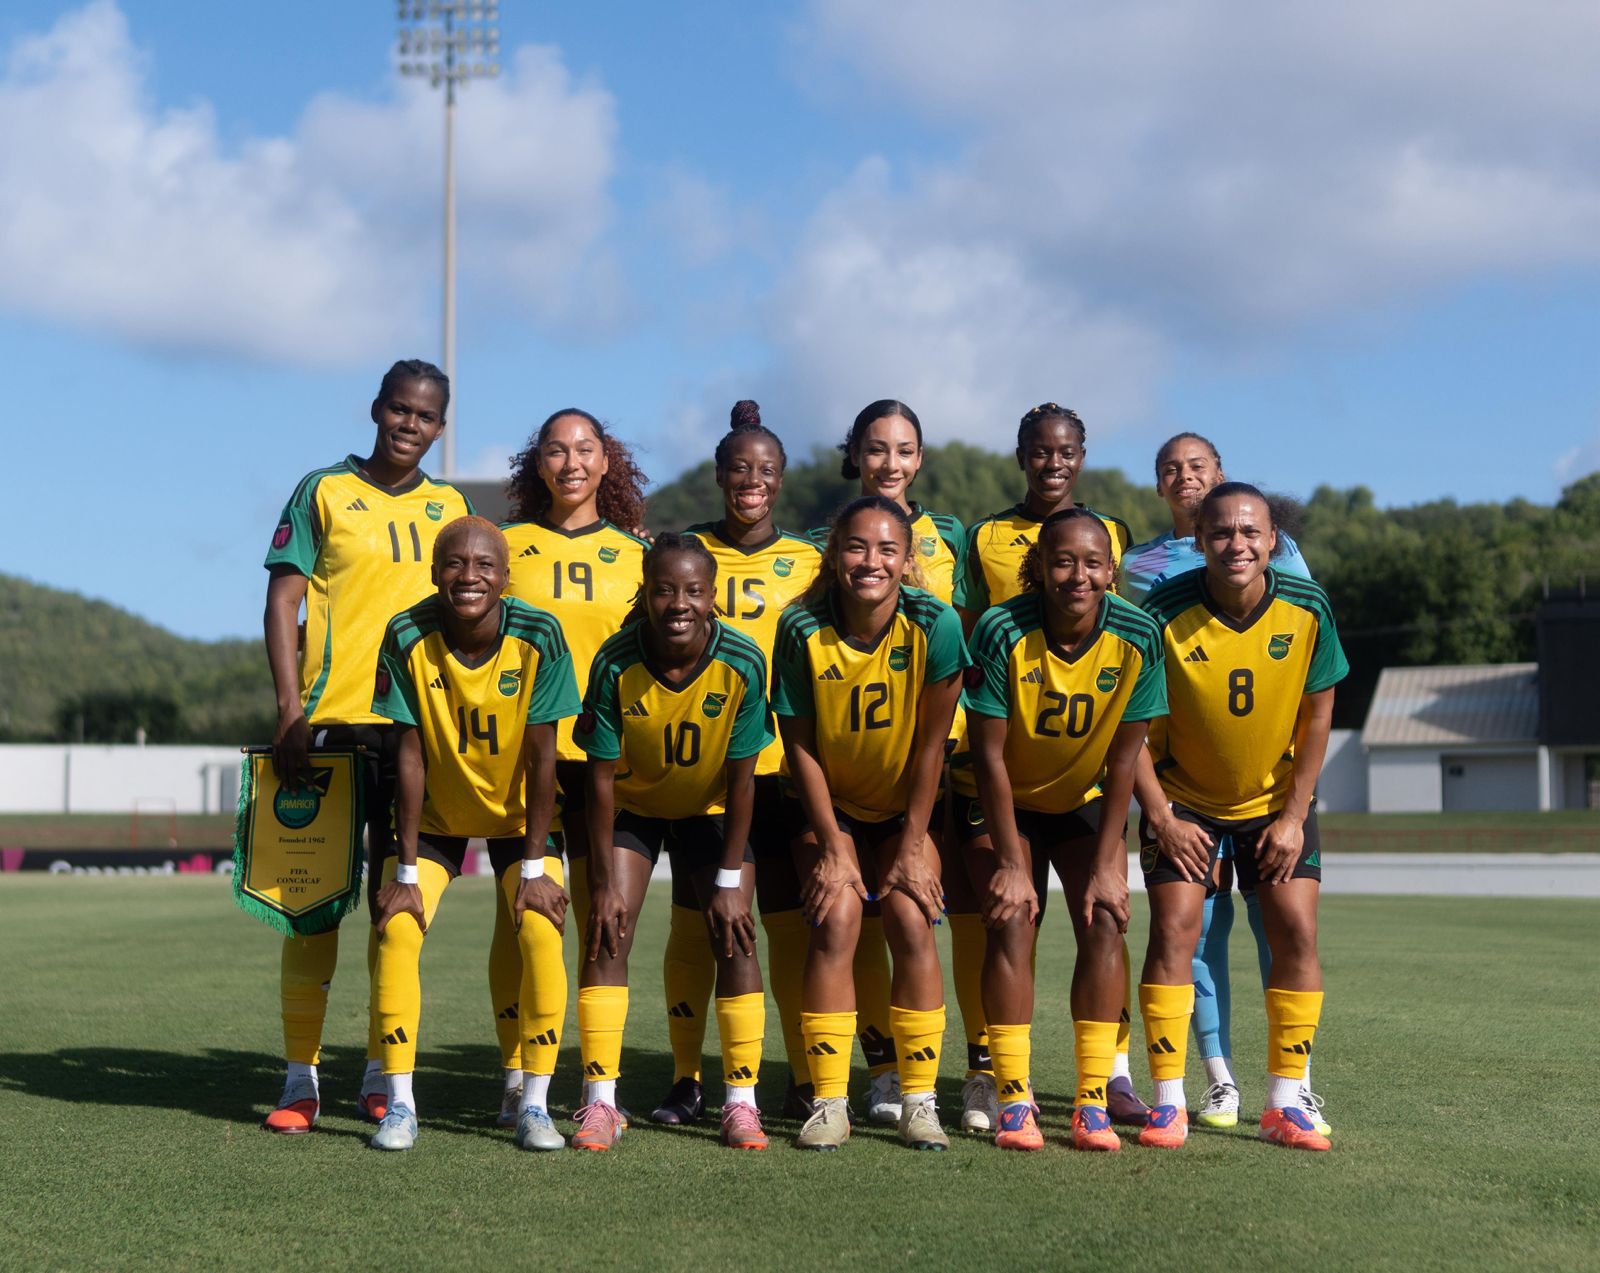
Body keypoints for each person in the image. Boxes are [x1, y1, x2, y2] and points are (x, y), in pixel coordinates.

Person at [261, 358, 473, 1133]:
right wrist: (290, 710)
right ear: (376, 409)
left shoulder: (451, 505)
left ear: (440, 427)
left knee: (395, 908)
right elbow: (282, 599)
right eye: (399, 409)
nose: (409, 424)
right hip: (327, 729)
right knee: (313, 908)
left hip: (414, 735)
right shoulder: (323, 489)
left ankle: (384, 1069)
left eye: (425, 416)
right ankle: (298, 1078)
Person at [1133, 482, 1347, 1151]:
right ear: (1198, 540)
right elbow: (1130, 728)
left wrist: (1293, 815)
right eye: (1221, 532)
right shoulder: (1161, 608)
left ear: (1273, 540)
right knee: (1174, 931)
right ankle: (1169, 1101)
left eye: (1251, 532)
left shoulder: (1307, 605)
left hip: (1274, 804)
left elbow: (1318, 718)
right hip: (1183, 801)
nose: (1237, 544)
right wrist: (1162, 817)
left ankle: (1287, 1100)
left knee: (1295, 932)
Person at [953, 401, 1146, 1126]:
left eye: (1093, 563)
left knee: (1105, 914)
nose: (1078, 573)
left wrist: (1110, 859)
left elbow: (1126, 750)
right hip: (1003, 773)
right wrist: (1006, 857)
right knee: (1009, 917)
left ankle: (1099, 1090)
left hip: (1080, 782)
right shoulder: (995, 581)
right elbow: (989, 746)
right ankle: (1008, 1090)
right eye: (1040, 450)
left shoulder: (1133, 632)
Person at [366, 517, 579, 1151]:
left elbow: (546, 758)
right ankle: (399, 1105)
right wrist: (404, 874)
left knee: (541, 931)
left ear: (506, 577)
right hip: (434, 817)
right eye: (455, 563)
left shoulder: (539, 633)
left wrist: (536, 867)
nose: (469, 576)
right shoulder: (406, 632)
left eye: (484, 565)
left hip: (522, 819)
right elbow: (406, 755)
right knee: (397, 931)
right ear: (435, 574)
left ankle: (532, 1102)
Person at [772, 497, 968, 1151]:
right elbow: (797, 744)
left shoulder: (935, 623)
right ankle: (829, 1101)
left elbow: (932, 746)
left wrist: (913, 845)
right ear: (835, 554)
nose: (872, 561)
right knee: (838, 917)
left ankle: (919, 1099)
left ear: (908, 558)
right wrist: (833, 845)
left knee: (913, 915)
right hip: (827, 806)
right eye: (857, 546)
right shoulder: (801, 625)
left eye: (888, 549)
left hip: (905, 808)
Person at [648, 401, 824, 1127]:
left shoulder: (811, 562)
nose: (751, 481)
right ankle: (689, 1079)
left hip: (786, 771)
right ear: (719, 475)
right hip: (710, 779)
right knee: (701, 929)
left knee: (786, 930)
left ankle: (805, 1078)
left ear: (781, 479)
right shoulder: (684, 553)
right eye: (739, 469)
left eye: (766, 470)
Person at [572, 534, 774, 1151]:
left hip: (711, 810)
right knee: (609, 926)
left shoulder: (741, 660)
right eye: (664, 589)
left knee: (734, 934)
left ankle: (742, 1101)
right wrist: (604, 884)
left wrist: (732, 879)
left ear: (713, 597)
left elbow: (743, 784)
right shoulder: (615, 660)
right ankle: (601, 1101)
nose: (678, 603)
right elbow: (599, 781)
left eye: (692, 590)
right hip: (634, 807)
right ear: (646, 591)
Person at [821, 399, 970, 1128]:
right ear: (856, 454)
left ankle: (948, 1078)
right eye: (875, 448)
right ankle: (878, 1071)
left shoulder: (950, 541)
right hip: (853, 756)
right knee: (851, 920)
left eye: (903, 449)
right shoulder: (831, 543)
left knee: (919, 914)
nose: (889, 462)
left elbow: (967, 636)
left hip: (937, 758)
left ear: (919, 458)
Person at [498, 409, 649, 1123]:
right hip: (520, 757)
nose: (571, 462)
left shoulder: (637, 554)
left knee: (601, 920)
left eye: (586, 449)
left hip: (602, 763)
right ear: (538, 465)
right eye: (556, 450)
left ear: (607, 463)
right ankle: (517, 1075)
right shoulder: (504, 547)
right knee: (522, 921)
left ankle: (598, 1092)